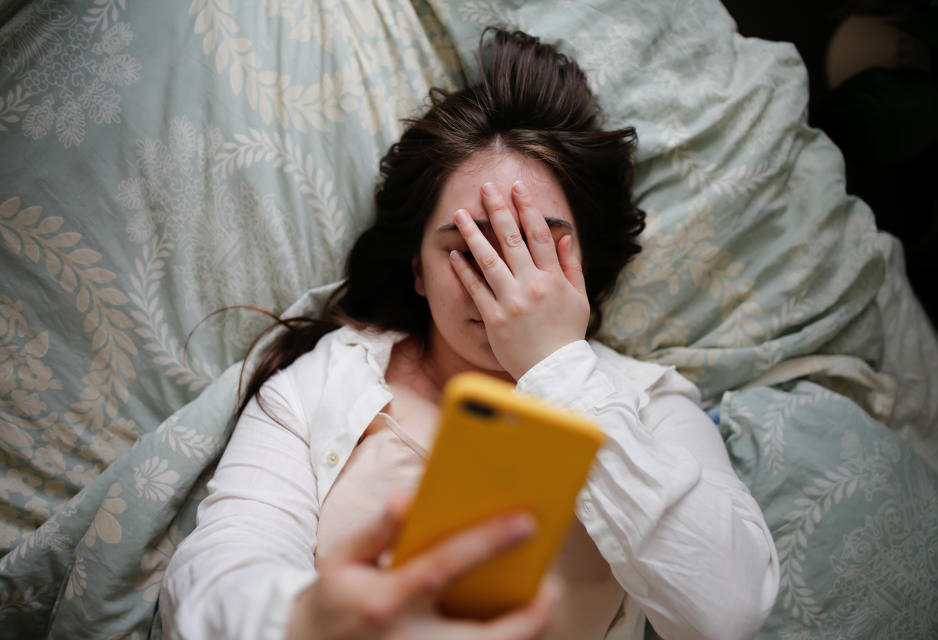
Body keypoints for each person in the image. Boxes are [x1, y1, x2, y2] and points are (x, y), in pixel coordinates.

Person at [161, 28, 779, 640]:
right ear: (419, 273)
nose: (504, 280)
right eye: (468, 248)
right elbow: (214, 574)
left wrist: (558, 366)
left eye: (538, 247)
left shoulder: (652, 403)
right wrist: (306, 618)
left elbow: (728, 612)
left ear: (587, 274)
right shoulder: (320, 384)